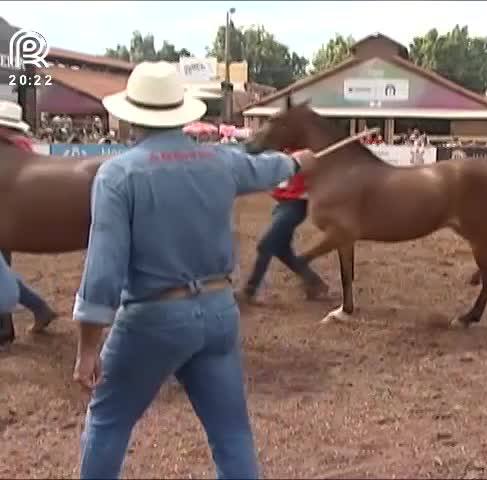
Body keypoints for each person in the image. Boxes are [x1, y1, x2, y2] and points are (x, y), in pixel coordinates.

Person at [71, 61, 311, 479]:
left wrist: (88, 344)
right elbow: (265, 167)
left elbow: (103, 269)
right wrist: (296, 163)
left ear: (131, 115)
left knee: (108, 420)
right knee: (231, 434)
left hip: (152, 317)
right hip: (218, 311)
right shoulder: (219, 160)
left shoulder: (117, 174)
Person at [239, 151, 329, 303]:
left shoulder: (307, 155)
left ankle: (250, 291)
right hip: (283, 205)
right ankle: (315, 283)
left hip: (295, 206)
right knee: (281, 250)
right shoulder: (284, 154)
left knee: (265, 245)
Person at [0, 100, 58, 338]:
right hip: (13, 219)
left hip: (8, 219)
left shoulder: (11, 152)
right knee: (3, 271)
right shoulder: (22, 148)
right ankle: (39, 309)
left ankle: (5, 329)